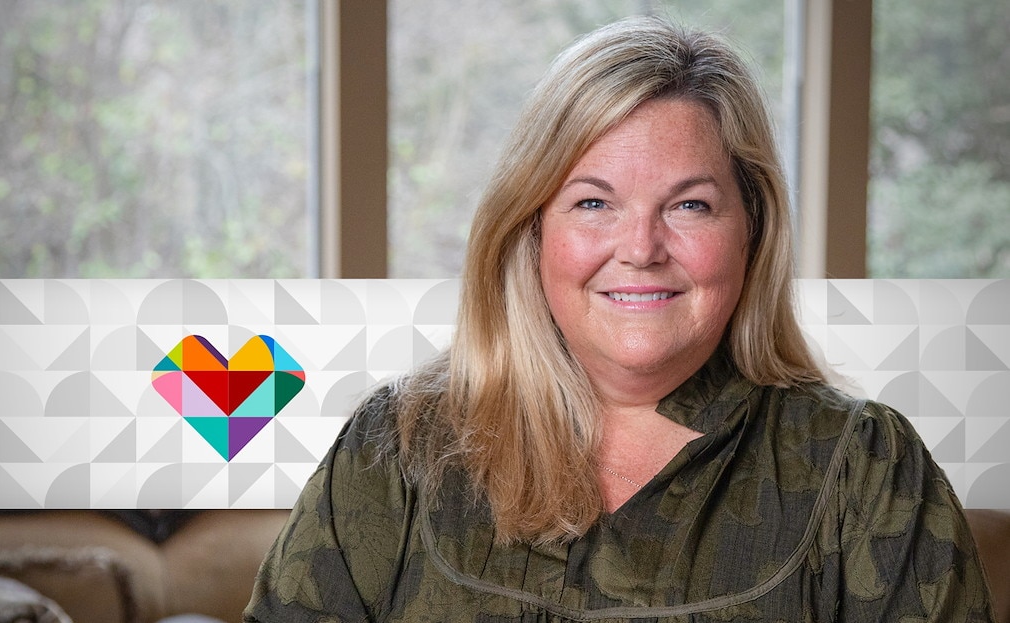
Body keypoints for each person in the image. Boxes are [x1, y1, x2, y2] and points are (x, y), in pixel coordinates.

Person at [244, 16, 994, 622]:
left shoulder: (864, 467)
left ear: (752, 228)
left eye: (690, 204)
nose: (640, 248)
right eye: (593, 202)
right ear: (533, 228)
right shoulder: (398, 448)